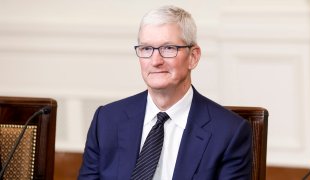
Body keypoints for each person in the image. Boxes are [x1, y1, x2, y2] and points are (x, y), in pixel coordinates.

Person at [78, 5, 252, 180]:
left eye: (168, 48)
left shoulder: (229, 132)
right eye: (146, 49)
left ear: (193, 57)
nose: (155, 61)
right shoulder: (107, 120)